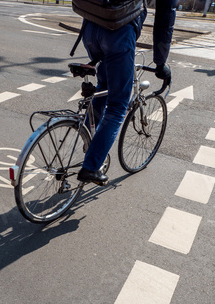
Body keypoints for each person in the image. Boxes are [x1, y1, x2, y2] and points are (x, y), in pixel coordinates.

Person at [76, 0, 177, 185]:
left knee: (104, 86)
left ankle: (88, 141)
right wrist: (160, 63)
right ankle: (90, 167)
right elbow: (165, 18)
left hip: (90, 28)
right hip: (118, 32)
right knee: (117, 106)